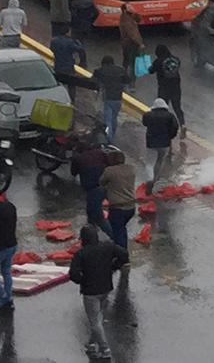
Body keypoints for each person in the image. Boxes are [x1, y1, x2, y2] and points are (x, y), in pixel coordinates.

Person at [69, 224, 128, 360]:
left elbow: (73, 274)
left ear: (83, 239)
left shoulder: (81, 254)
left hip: (90, 292)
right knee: (98, 317)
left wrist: (82, 280)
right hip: (106, 288)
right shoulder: (108, 247)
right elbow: (124, 254)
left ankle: (104, 348)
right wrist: (114, 266)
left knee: (95, 320)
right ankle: (91, 343)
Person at [99, 150, 136, 249]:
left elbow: (101, 182)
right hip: (131, 206)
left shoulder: (109, 171)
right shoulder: (131, 169)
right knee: (121, 229)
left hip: (117, 207)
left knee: (118, 231)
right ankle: (121, 248)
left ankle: (121, 254)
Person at [70, 140, 109, 231]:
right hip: (104, 185)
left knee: (97, 216)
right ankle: (91, 233)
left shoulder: (78, 158)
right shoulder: (100, 153)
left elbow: (73, 173)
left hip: (91, 188)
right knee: (93, 211)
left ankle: (113, 237)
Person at [141, 98, 178, 192]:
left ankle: (149, 179)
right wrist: (170, 137)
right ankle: (154, 179)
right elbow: (175, 128)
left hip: (151, 143)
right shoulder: (170, 116)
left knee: (149, 163)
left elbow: (144, 123)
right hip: (165, 144)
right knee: (159, 161)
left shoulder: (148, 115)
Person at [91, 56, 127, 143]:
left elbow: (92, 80)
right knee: (114, 118)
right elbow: (127, 80)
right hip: (118, 97)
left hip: (108, 97)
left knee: (107, 119)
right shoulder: (121, 70)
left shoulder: (100, 70)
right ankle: (113, 135)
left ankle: (109, 139)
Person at [150, 44, 184, 134]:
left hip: (163, 88)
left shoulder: (158, 61)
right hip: (176, 87)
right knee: (177, 107)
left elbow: (151, 71)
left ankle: (165, 127)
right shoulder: (176, 59)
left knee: (163, 108)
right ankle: (182, 125)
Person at [118, 4, 144, 83]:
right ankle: (131, 83)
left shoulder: (128, 17)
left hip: (126, 44)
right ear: (125, 10)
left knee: (126, 61)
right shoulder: (126, 20)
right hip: (131, 44)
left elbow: (139, 19)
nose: (132, 8)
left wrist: (135, 12)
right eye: (129, 7)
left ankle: (123, 78)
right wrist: (140, 43)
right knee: (132, 64)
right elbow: (132, 34)